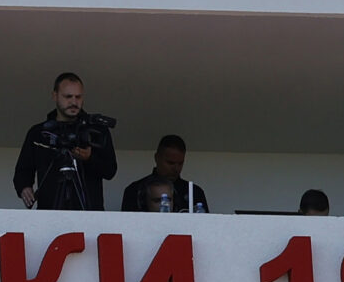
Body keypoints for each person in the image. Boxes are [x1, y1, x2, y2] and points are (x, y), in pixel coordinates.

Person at [11, 72, 116, 211]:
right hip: (49, 213)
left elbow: (110, 170)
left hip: (89, 214)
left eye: (78, 97)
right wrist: (24, 188)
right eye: (68, 97)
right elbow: (23, 170)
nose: (73, 102)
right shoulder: (39, 133)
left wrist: (89, 158)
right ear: (55, 96)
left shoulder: (96, 131)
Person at [119, 134, 208, 212]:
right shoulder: (134, 190)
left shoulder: (194, 193)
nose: (176, 168)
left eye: (180, 163)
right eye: (170, 163)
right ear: (157, 158)